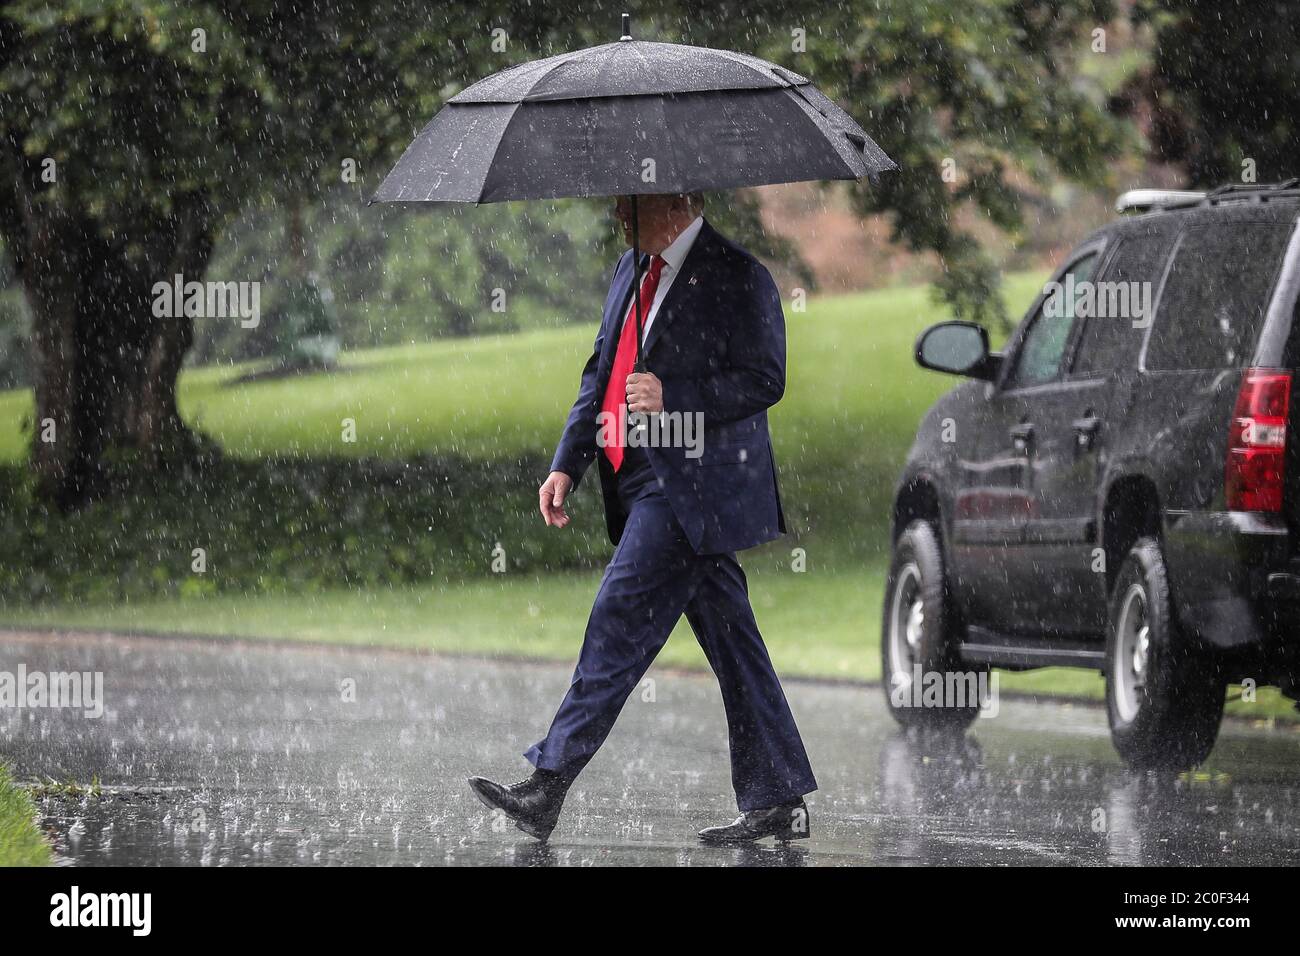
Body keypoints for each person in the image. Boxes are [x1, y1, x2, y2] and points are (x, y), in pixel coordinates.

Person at [468, 193, 816, 844]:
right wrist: (567, 463)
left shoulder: (738, 274)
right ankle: (778, 798)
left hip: (692, 485)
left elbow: (765, 379)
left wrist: (674, 396)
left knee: (618, 616)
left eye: (630, 201)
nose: (616, 213)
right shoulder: (630, 268)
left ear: (676, 200)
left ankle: (547, 784)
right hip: (634, 478)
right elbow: (601, 369)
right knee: (733, 643)